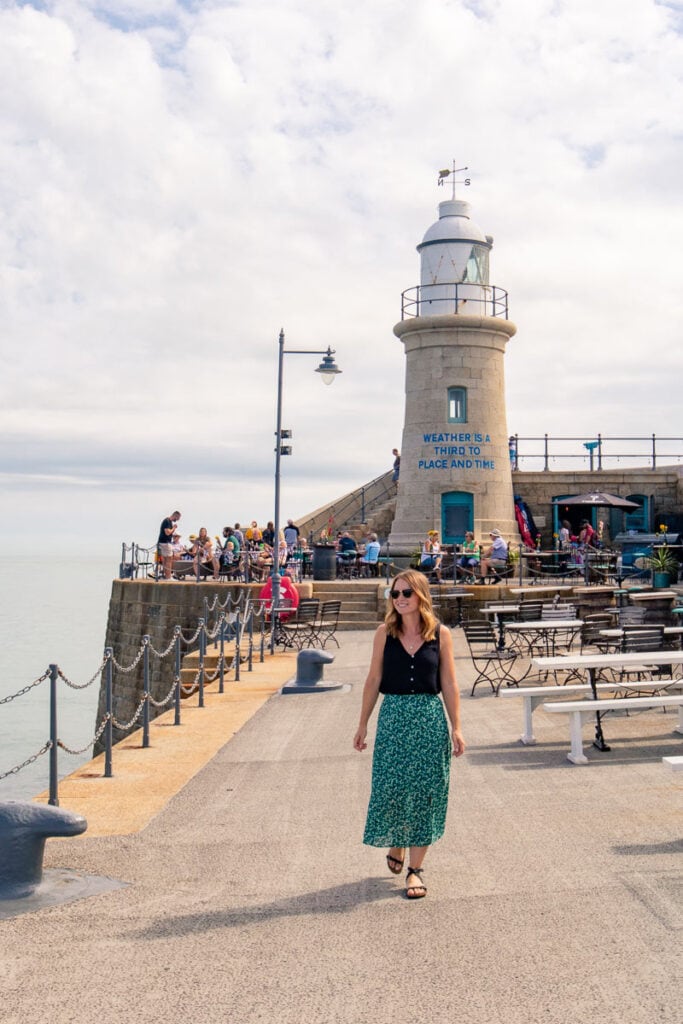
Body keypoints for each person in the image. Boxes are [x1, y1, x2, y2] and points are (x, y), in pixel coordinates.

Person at [353, 570, 465, 899]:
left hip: (430, 719)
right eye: (395, 594)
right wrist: (362, 724)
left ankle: (415, 871)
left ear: (420, 596)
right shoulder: (383, 633)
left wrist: (457, 726)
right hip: (394, 718)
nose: (399, 599)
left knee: (427, 791)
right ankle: (397, 841)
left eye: (406, 593)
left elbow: (449, 683)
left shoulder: (441, 634)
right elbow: (373, 680)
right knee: (393, 787)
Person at [157, 510, 181, 580]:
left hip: (163, 542)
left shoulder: (168, 521)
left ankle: (166, 576)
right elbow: (167, 533)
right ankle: (168, 577)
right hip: (165, 543)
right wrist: (174, 528)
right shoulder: (167, 521)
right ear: (175, 516)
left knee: (165, 560)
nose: (177, 520)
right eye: (178, 518)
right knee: (169, 559)